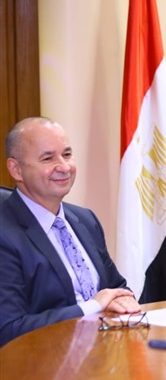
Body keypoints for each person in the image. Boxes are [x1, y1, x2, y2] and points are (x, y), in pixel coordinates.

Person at [0, 117, 141, 347]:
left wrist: (123, 300)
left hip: (104, 356)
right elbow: (9, 329)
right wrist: (93, 306)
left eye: (66, 155)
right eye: (48, 158)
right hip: (41, 364)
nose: (64, 167)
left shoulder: (85, 219)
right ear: (16, 169)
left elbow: (116, 287)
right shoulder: (5, 233)